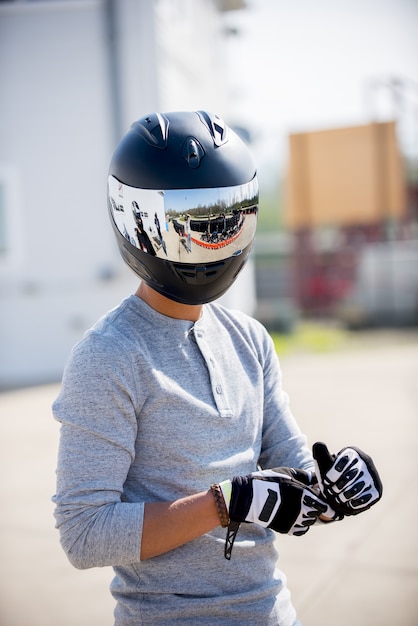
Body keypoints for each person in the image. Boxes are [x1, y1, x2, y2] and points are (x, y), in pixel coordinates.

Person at [52, 111, 382, 626]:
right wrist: (224, 503)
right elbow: (85, 534)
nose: (212, 243)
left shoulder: (249, 339)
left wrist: (331, 486)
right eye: (191, 226)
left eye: (229, 222)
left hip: (272, 612)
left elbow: (289, 473)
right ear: (135, 220)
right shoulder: (109, 355)